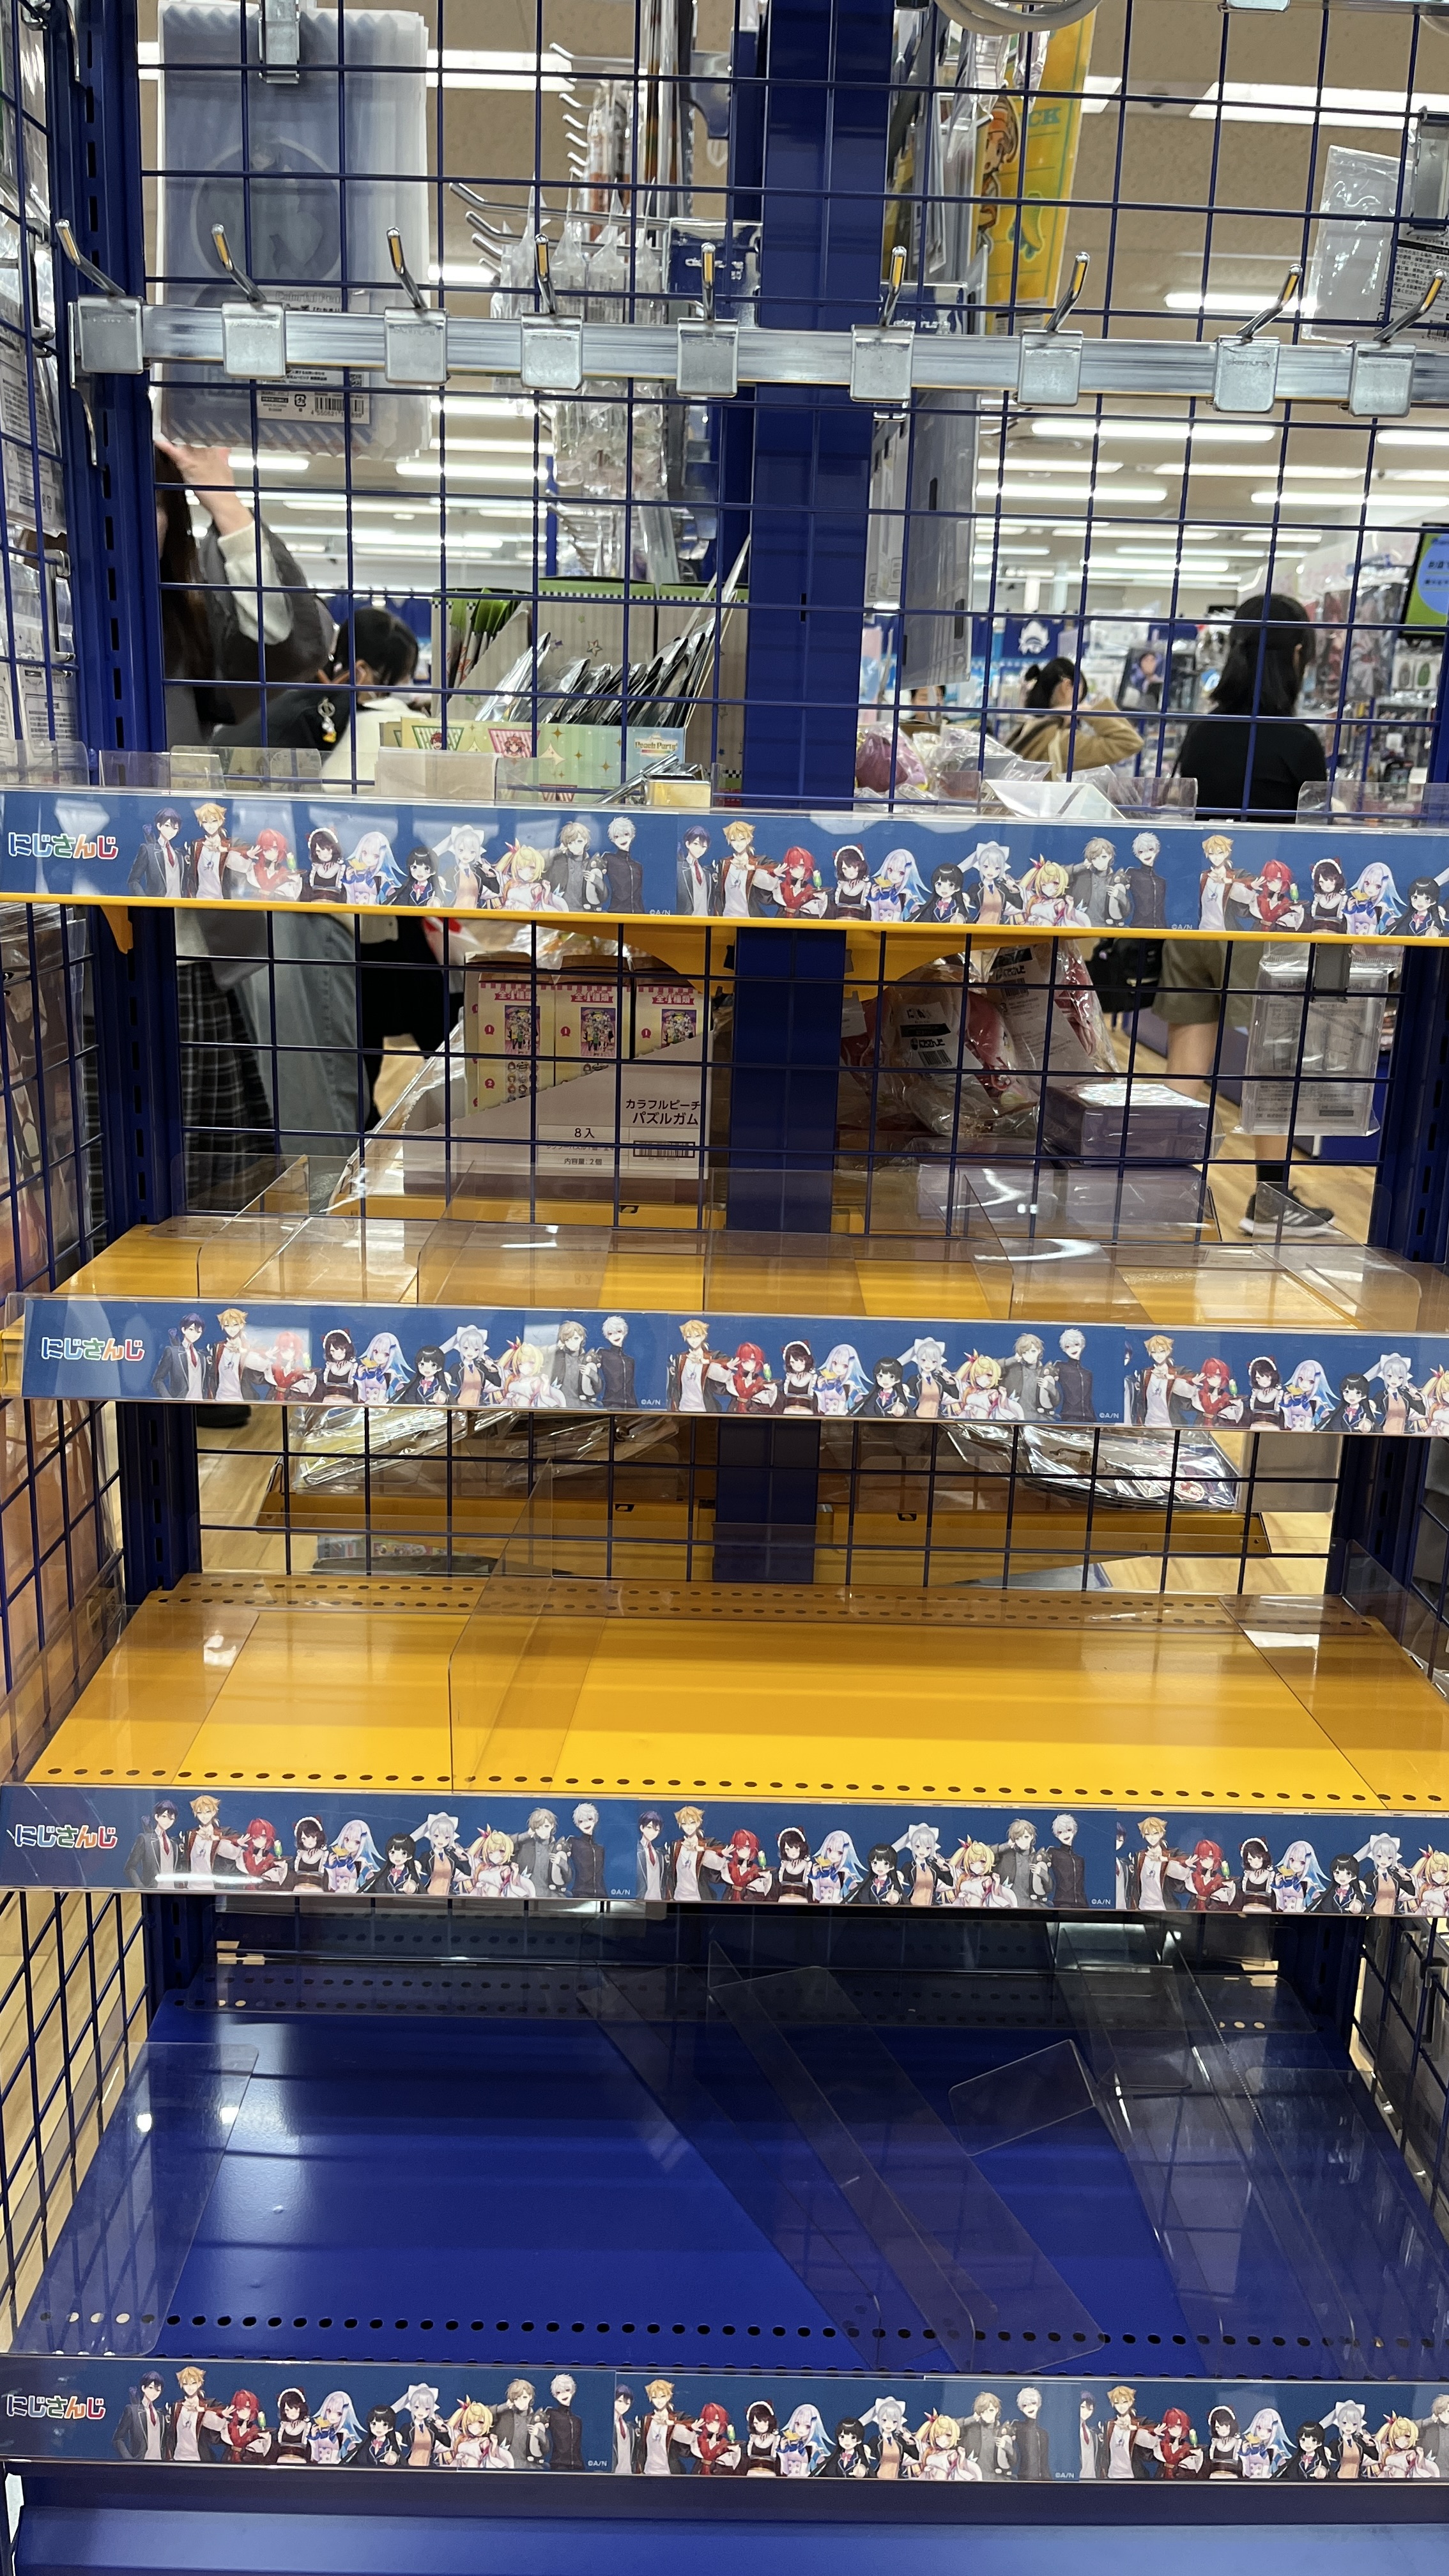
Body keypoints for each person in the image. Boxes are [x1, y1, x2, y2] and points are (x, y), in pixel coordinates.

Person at [1158, 592, 1333, 1241]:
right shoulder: (1298, 743)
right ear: (1297, 655)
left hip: (1196, 909)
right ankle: (1271, 1199)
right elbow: (1314, 842)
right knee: (1272, 1057)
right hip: (1262, 915)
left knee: (1188, 1047)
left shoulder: (1203, 732)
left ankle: (1170, 1188)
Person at [1006, 657, 1142, 778]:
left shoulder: (1028, 729)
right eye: (1081, 697)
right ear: (1067, 686)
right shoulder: (1064, 742)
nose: (1082, 702)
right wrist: (1088, 711)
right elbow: (1129, 742)